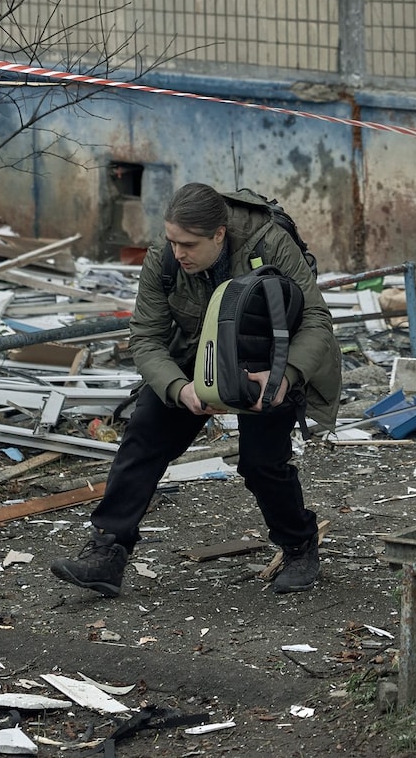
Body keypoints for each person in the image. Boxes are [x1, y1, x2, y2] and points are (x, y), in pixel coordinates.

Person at [50, 183, 339, 598]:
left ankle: (298, 547)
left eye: (189, 244)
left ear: (219, 234)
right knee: (143, 436)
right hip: (194, 353)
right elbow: (146, 337)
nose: (178, 252)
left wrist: (285, 377)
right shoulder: (164, 256)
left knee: (262, 463)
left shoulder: (268, 242)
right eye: (172, 241)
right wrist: (178, 388)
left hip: (267, 359)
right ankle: (107, 553)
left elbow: (315, 320)